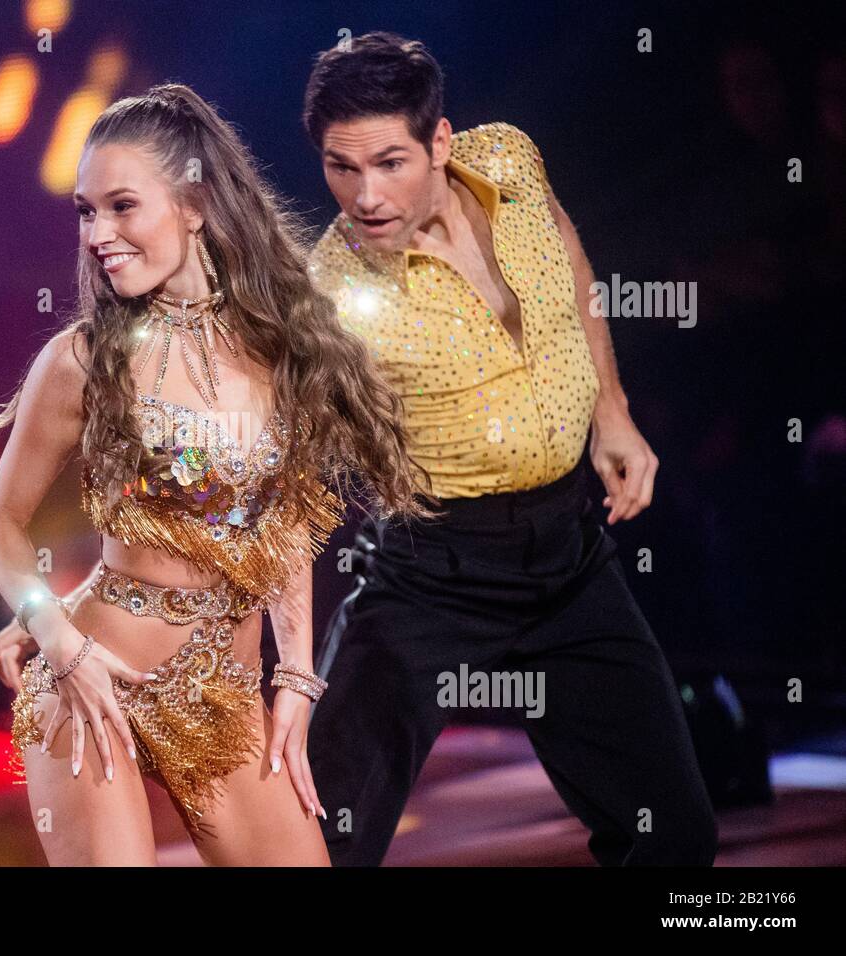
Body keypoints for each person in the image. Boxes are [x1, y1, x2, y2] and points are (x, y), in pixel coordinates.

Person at [0, 83, 431, 866]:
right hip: (92, 686)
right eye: (86, 211)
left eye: (121, 206)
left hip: (223, 699)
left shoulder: (281, 345)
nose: (97, 234)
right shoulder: (81, 362)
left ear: (192, 203)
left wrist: (293, 679)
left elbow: (284, 527)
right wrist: (55, 632)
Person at [301, 33, 719, 866]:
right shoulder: (333, 287)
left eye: (389, 162)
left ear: (441, 141)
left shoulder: (510, 163)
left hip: (569, 559)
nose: (366, 195)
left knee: (675, 839)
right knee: (319, 843)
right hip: (428, 572)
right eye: (341, 168)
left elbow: (567, 261)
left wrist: (613, 412)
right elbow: (273, 445)